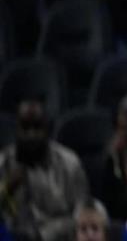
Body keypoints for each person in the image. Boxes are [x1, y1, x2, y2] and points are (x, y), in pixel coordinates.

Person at [0, 96, 89, 240]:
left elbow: (81, 217)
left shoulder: (69, 165)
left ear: (48, 130)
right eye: (25, 127)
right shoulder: (3, 163)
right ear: (16, 129)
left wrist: (44, 235)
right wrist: (7, 188)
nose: (31, 135)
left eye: (37, 127)